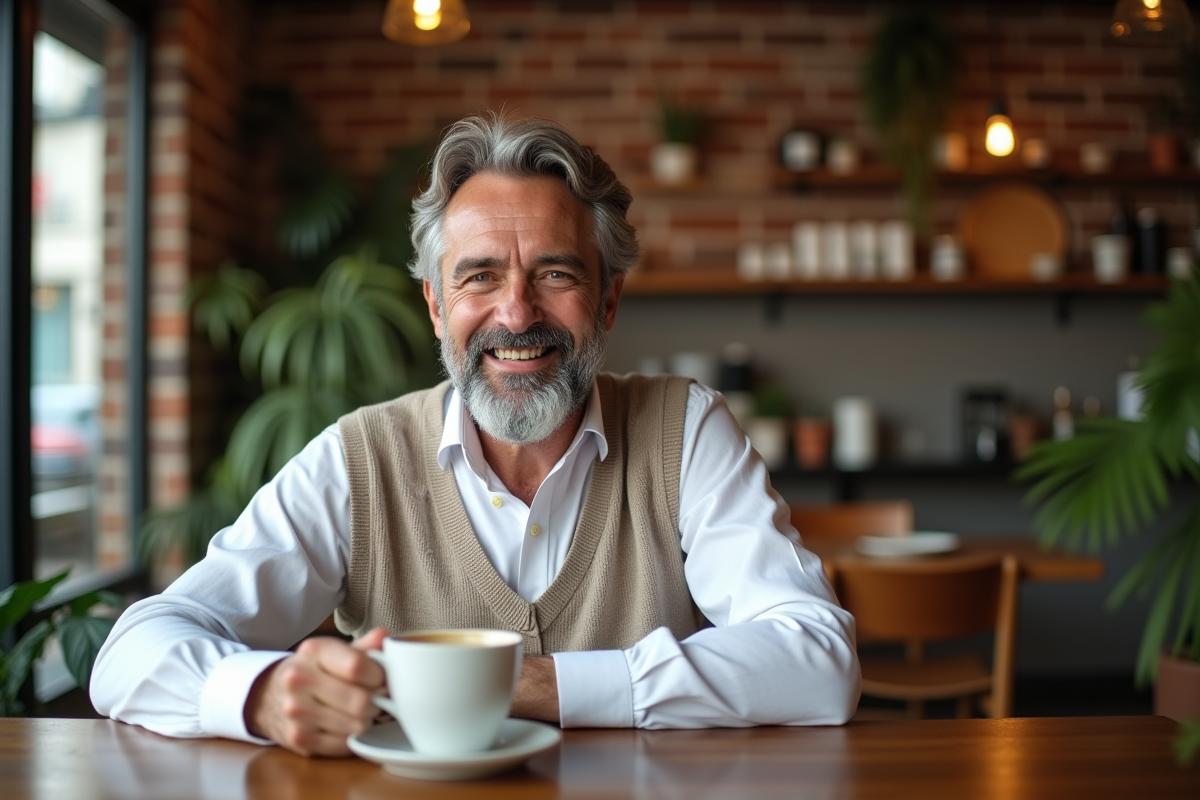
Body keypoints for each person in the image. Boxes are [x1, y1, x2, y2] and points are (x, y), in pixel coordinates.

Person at [90, 113, 860, 757]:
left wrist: (532, 686)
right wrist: (258, 696)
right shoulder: (361, 458)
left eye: (555, 274)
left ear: (609, 300)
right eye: (479, 276)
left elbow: (817, 660)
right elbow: (132, 652)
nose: (517, 313)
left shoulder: (686, 431)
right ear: (435, 305)